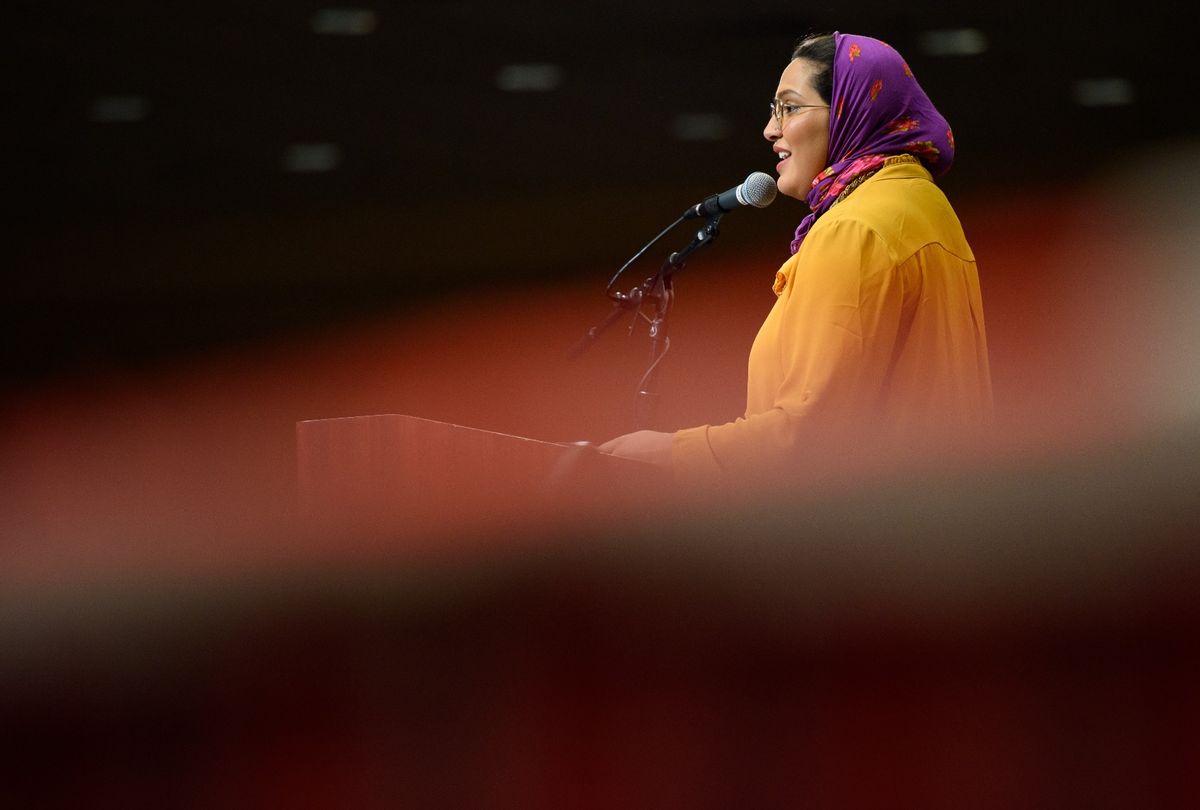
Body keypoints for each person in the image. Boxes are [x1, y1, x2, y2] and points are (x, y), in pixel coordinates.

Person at [599, 32, 993, 485]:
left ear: (849, 109)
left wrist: (668, 451)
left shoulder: (854, 228)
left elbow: (807, 439)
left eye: (789, 107)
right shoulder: (924, 206)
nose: (771, 129)